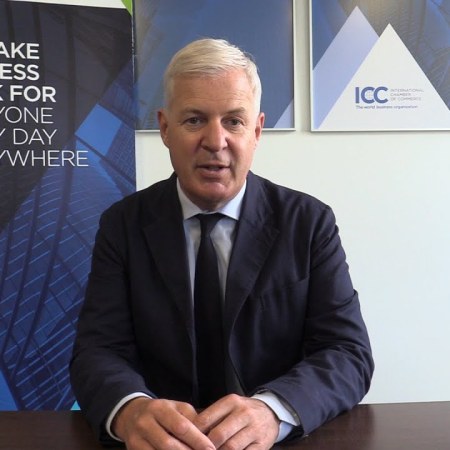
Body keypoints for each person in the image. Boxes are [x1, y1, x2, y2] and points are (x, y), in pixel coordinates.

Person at [70, 38, 374, 450]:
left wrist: (274, 410)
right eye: (195, 119)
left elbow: (346, 352)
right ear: (165, 128)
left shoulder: (308, 223)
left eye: (233, 121)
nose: (216, 141)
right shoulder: (123, 224)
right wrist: (130, 409)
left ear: (257, 131)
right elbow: (98, 350)